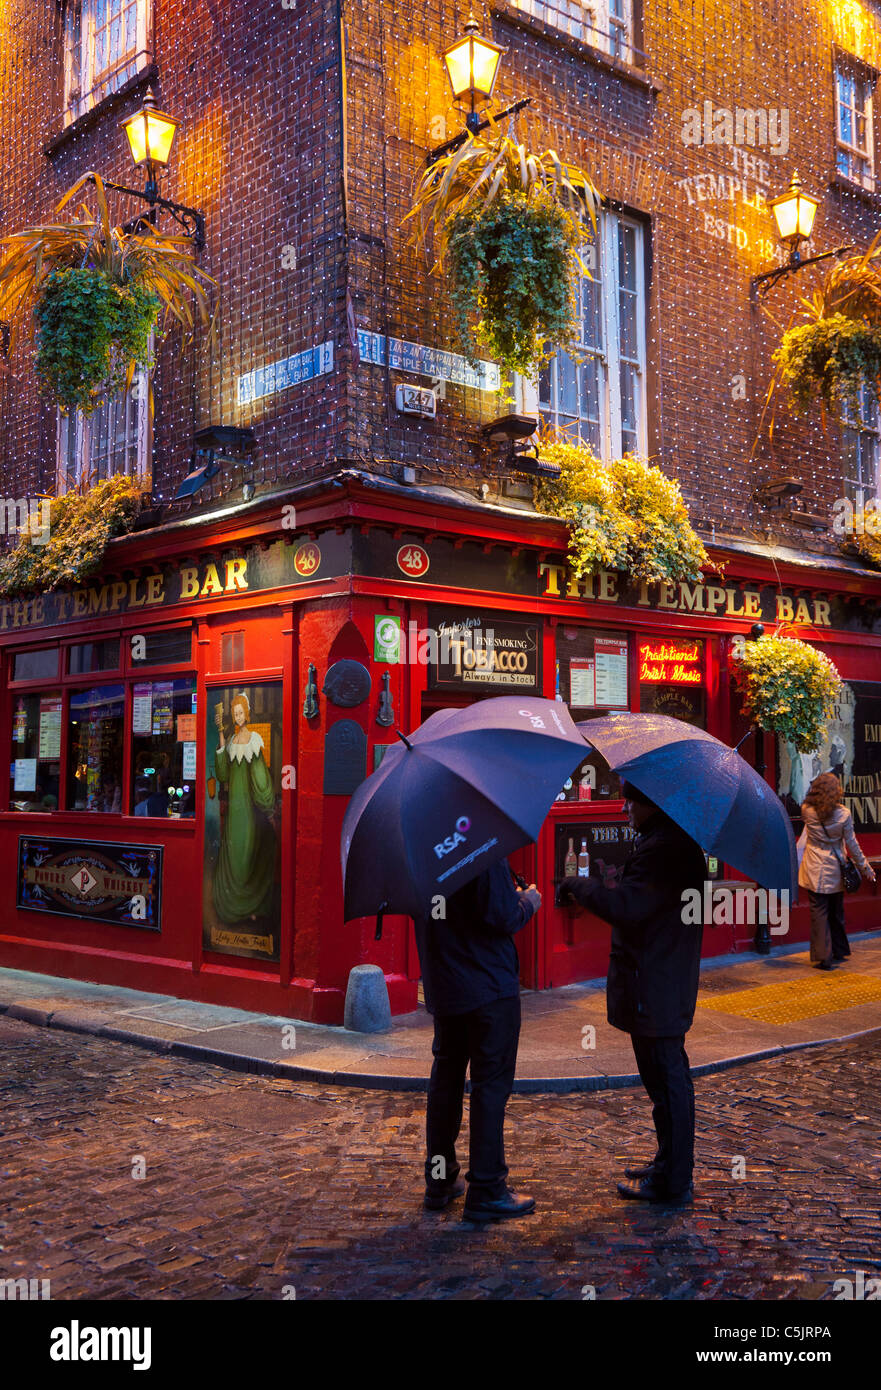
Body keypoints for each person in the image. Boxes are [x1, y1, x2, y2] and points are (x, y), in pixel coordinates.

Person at [558, 782, 706, 1205]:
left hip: (655, 983)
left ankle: (673, 1179)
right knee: (665, 1080)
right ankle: (669, 1163)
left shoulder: (663, 849)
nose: (625, 808)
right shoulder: (672, 842)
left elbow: (628, 908)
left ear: (650, 804)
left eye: (631, 801)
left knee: (666, 1080)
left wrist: (578, 886)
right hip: (662, 980)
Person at [413, 859, 541, 1221]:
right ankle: (486, 1187)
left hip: (446, 984)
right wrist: (528, 900)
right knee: (490, 1086)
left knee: (446, 1081)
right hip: (487, 986)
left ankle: (440, 1180)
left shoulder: (421, 849)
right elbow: (502, 915)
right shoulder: (480, 848)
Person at [799, 772, 875, 970]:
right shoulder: (844, 814)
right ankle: (839, 949)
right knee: (836, 909)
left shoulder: (807, 810)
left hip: (814, 867)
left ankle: (824, 955)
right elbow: (852, 844)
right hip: (836, 868)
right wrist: (865, 867)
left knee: (819, 911)